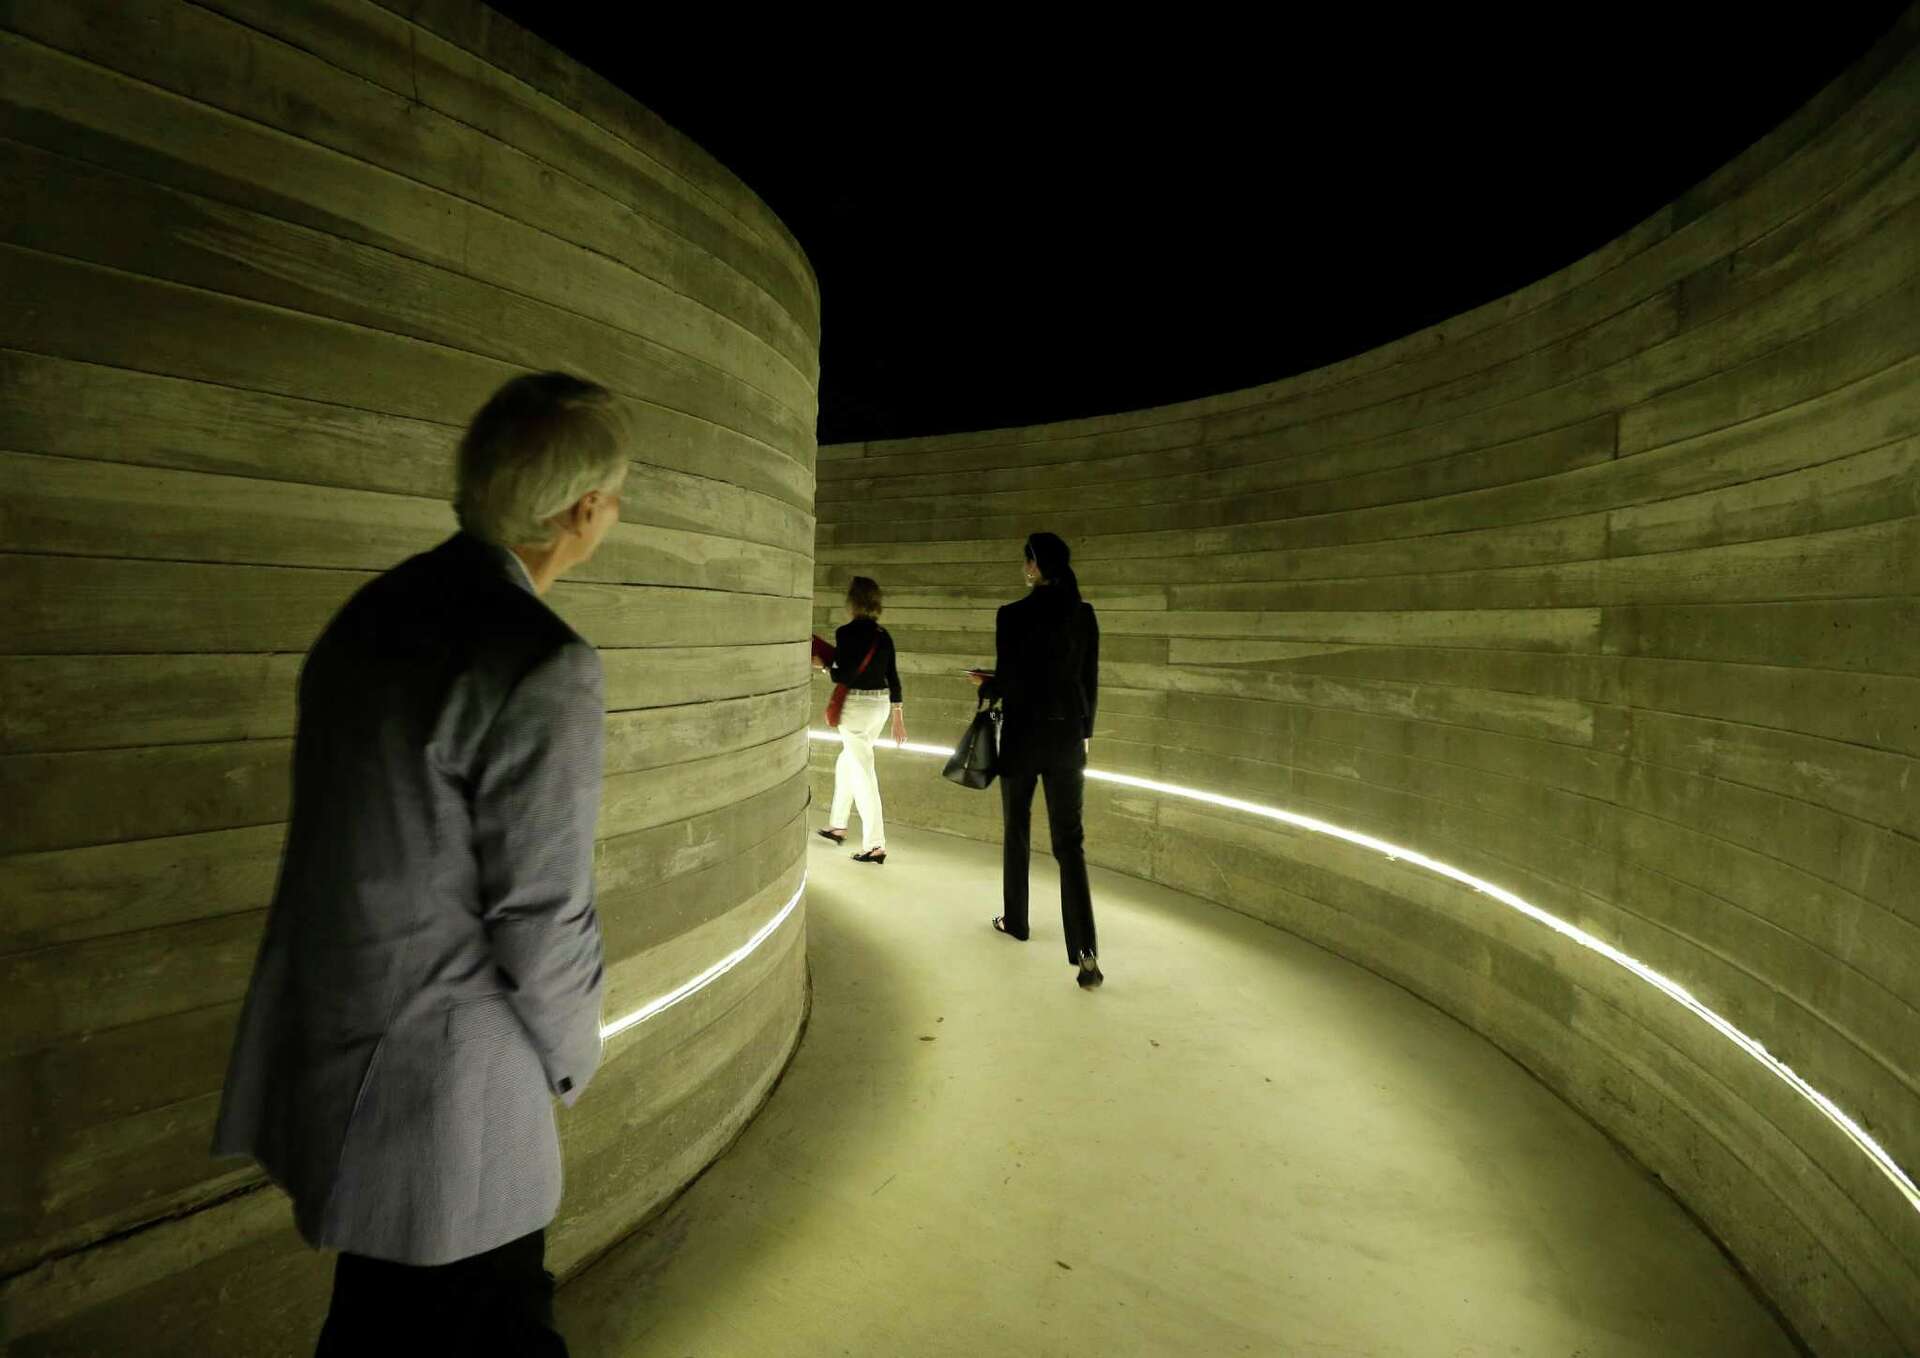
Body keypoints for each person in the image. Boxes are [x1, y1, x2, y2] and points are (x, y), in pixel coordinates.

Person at [212, 372, 625, 1357]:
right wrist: (578, 1051)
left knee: (379, 1327)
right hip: (455, 1106)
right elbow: (543, 916)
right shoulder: (542, 661)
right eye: (616, 495)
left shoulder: (374, 613)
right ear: (581, 510)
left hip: (346, 1061)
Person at [969, 532, 1103, 987]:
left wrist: (985, 685)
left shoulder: (1012, 616)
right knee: (1070, 844)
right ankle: (1085, 950)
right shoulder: (1083, 615)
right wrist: (1084, 734)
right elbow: (1089, 682)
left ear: (1035, 566)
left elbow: (1008, 681)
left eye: (1026, 560)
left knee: (1017, 830)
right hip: (1066, 738)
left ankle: (1016, 920)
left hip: (1023, 738)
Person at [812, 575, 905, 864]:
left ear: (852, 602)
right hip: (880, 707)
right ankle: (838, 825)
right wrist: (898, 717)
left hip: (855, 707)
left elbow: (842, 674)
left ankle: (876, 844)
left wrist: (825, 664)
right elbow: (893, 677)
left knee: (863, 771)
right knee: (849, 761)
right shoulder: (883, 635)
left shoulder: (846, 633)